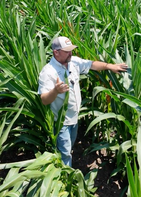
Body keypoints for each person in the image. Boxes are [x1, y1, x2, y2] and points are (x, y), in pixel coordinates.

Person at [38, 36, 128, 167]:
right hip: (61, 122)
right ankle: (65, 178)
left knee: (69, 147)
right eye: (67, 51)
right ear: (56, 52)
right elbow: (44, 100)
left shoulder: (73, 62)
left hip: (74, 117)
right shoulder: (48, 72)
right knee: (65, 153)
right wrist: (55, 91)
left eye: (71, 50)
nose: (70, 53)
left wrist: (110, 66)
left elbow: (91, 64)